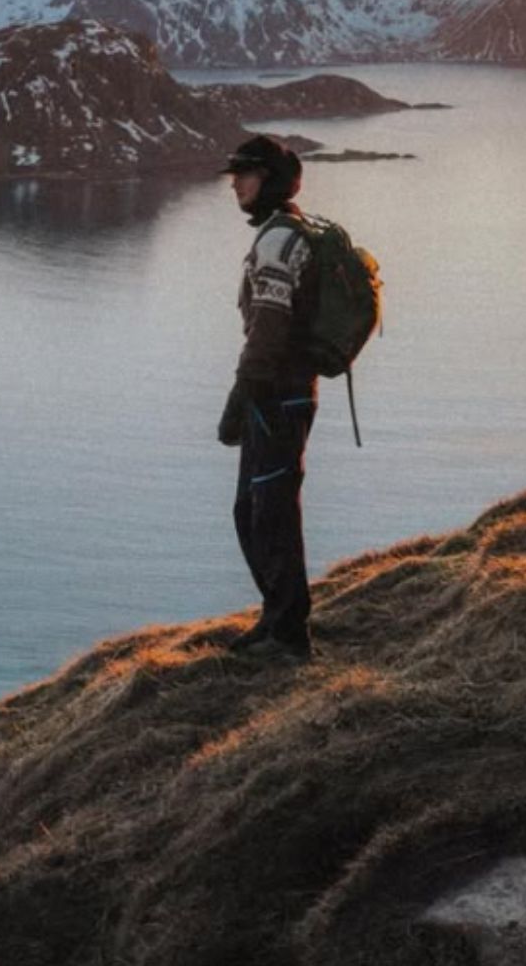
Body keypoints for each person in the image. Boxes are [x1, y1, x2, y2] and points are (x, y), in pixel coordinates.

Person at [218, 133, 319, 661]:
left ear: (272, 181)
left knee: (270, 513)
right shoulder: (284, 233)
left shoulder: (278, 241)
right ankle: (276, 619)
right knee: (254, 510)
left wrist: (241, 395)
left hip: (278, 397)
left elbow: (269, 327)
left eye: (246, 174)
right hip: (281, 395)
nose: (235, 183)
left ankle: (288, 635)